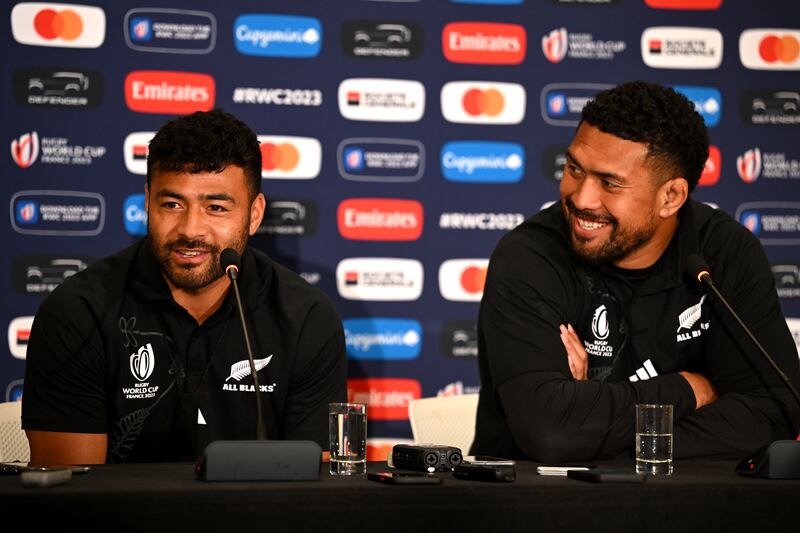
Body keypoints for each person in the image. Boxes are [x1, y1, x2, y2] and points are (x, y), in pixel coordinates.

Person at [471, 81, 800, 461]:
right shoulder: (529, 258)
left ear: (670, 197)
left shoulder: (725, 254)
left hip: (692, 510)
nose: (581, 198)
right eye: (574, 169)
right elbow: (552, 431)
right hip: (539, 508)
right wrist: (688, 389)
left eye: (610, 183)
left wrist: (600, 432)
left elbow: (774, 411)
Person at [22, 110, 347, 464]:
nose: (191, 229)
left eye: (216, 207)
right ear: (147, 201)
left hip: (256, 518)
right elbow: (73, 494)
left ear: (254, 214)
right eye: (172, 204)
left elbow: (312, 491)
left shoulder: (306, 318)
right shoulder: (77, 312)